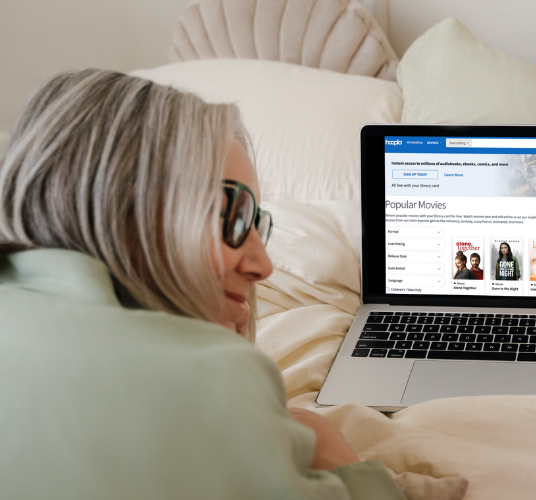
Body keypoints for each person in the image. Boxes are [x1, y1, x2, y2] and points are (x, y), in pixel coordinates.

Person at [0, 70, 405, 500]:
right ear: (121, 204)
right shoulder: (212, 377)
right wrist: (329, 446)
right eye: (230, 215)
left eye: (257, 226)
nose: (263, 266)